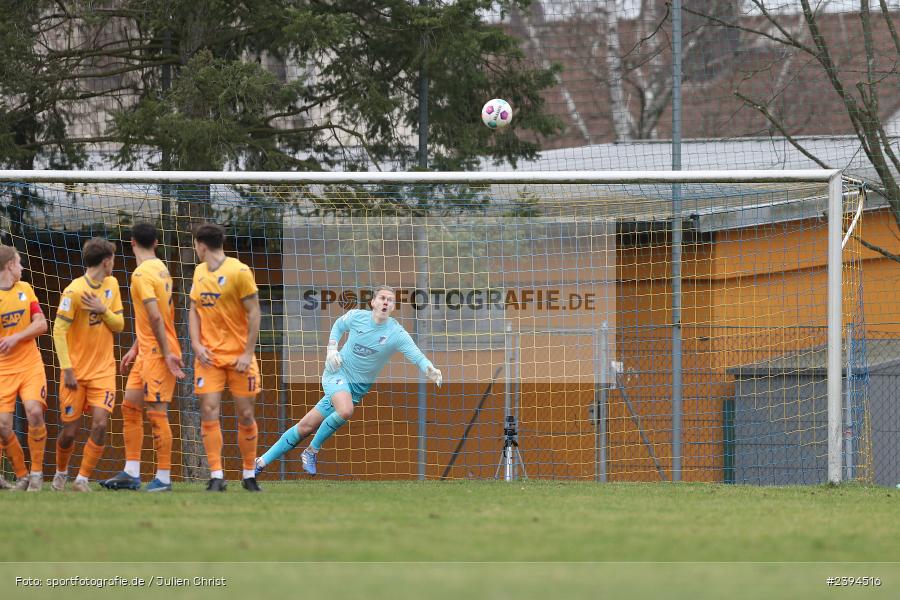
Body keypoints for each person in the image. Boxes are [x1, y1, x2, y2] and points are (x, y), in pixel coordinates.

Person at [255, 285, 442, 477]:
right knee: (345, 410)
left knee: (306, 427)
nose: (386, 302)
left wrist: (430, 368)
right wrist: (332, 350)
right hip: (337, 373)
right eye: (382, 298)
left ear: (393, 306)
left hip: (357, 389)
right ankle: (311, 451)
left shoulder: (396, 333)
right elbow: (338, 325)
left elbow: (416, 355)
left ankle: (260, 462)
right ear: (373, 302)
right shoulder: (356, 317)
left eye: (390, 300)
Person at [101, 223, 185, 492]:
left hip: (160, 354)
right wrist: (136, 347)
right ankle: (131, 472)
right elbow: (152, 318)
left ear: (132, 242)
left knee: (157, 413)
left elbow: (156, 316)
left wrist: (167, 353)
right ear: (157, 243)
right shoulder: (161, 268)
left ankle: (163, 478)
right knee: (130, 407)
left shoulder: (141, 275)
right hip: (146, 352)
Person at [189, 223, 262, 492]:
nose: (195, 249)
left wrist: (247, 352)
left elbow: (255, 313)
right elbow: (194, 310)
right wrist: (196, 344)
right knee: (209, 410)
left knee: (245, 414)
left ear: (202, 245)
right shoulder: (199, 272)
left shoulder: (239, 271)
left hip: (240, 358)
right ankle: (216, 475)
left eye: (195, 245)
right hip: (209, 357)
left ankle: (248, 475)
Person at [52, 237, 124, 492]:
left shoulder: (112, 284)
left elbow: (119, 325)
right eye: (113, 259)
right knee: (70, 431)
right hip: (75, 372)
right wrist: (67, 369)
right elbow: (58, 331)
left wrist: (103, 309)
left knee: (101, 424)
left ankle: (82, 479)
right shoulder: (73, 291)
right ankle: (61, 472)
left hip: (103, 370)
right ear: (106, 262)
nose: (114, 264)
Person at [0, 245, 49, 491]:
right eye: (19, 263)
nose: (22, 267)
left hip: (30, 365)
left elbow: (41, 325)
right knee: (2, 426)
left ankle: (38, 475)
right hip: (3, 370)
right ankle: (22, 475)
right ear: (9, 266)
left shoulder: (26, 290)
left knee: (34, 413)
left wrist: (16, 337)